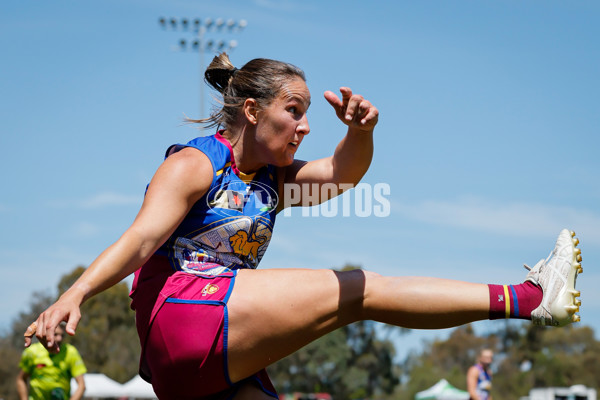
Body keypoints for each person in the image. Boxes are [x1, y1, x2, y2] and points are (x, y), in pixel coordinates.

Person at [23, 53, 583, 400]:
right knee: (361, 289)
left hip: (208, 354)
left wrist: (360, 132)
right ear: (250, 110)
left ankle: (530, 300)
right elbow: (141, 240)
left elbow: (341, 175)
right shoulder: (195, 163)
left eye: (309, 111)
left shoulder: (274, 179)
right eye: (294, 110)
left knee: (361, 293)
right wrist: (76, 293)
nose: (306, 125)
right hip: (183, 319)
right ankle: (530, 298)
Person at [17, 323, 86, 400]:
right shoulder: (32, 352)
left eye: (62, 335)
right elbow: (21, 379)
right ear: (46, 333)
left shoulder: (71, 352)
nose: (59, 339)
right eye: (55, 334)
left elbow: (81, 385)